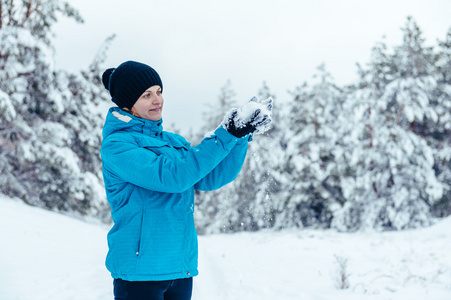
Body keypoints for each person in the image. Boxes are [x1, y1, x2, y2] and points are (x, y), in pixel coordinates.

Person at [100, 60, 272, 300]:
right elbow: (174, 177)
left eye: (158, 91)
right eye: (146, 95)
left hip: (180, 268)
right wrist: (226, 134)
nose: (157, 100)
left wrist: (239, 136)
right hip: (140, 273)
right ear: (128, 104)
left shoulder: (173, 142)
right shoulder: (118, 146)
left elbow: (212, 177)